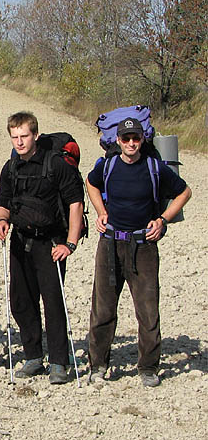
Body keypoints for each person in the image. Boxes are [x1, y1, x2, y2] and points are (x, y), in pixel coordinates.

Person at [86, 118, 191, 387]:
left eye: (135, 138)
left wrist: (163, 220)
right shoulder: (107, 165)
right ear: (118, 140)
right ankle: (97, 365)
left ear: (142, 140)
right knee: (103, 309)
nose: (131, 143)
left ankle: (148, 368)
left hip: (143, 246)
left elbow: (184, 192)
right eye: (126, 138)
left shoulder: (155, 167)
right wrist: (101, 212)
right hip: (109, 244)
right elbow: (91, 183)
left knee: (147, 310)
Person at [0, 111, 84, 385]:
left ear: (35, 135)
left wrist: (70, 243)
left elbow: (75, 204)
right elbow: (4, 200)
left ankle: (58, 362)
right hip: (20, 241)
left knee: (53, 303)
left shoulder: (57, 165)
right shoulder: (10, 168)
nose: (19, 142)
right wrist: (1, 221)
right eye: (15, 137)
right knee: (21, 301)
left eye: (24, 136)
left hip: (52, 243)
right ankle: (33, 356)